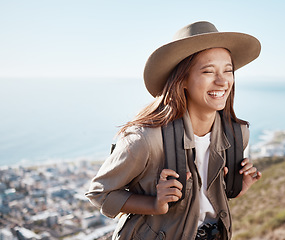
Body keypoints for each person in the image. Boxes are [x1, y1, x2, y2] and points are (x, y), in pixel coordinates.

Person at [86, 21, 262, 240]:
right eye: (208, 71)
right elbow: (100, 193)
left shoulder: (236, 135)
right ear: (183, 79)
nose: (222, 81)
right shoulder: (145, 139)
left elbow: (200, 202)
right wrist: (154, 204)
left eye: (228, 70)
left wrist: (235, 188)